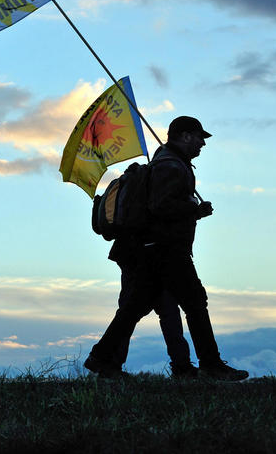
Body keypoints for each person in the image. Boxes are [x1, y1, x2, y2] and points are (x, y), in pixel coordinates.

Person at [85, 116, 248, 381]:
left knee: (135, 306)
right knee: (195, 302)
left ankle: (100, 357)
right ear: (185, 136)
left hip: (153, 249)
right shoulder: (171, 166)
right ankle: (211, 364)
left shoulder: (167, 162)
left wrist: (192, 211)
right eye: (199, 137)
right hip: (166, 249)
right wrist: (195, 210)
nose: (202, 144)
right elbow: (160, 206)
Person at [109, 236, 197, 378]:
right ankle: (182, 366)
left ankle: (182, 365)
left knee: (138, 312)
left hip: (143, 255)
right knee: (134, 312)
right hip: (143, 256)